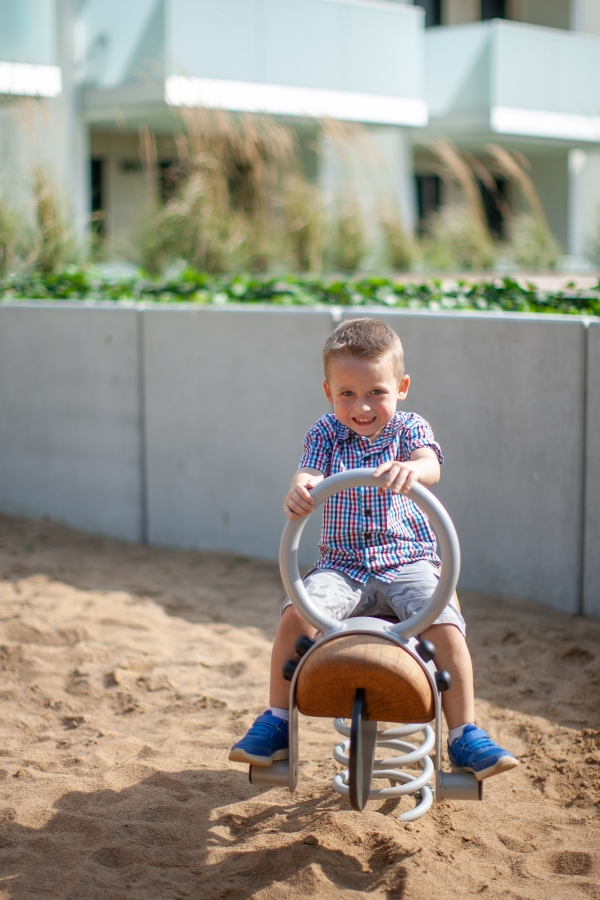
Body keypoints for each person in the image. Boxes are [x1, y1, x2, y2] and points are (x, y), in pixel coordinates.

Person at [229, 317, 518, 781]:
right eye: (347, 393)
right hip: (342, 565)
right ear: (328, 391)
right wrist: (302, 488)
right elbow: (308, 472)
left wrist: (412, 470)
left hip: (407, 561)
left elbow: (430, 464)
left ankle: (465, 733)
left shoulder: (409, 429)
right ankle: (276, 721)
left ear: (401, 388)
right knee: (295, 616)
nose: (361, 406)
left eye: (376, 392)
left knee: (446, 626)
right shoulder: (325, 433)